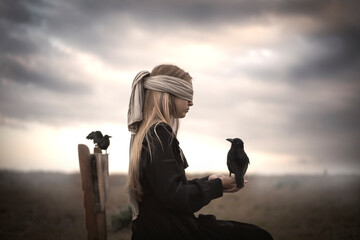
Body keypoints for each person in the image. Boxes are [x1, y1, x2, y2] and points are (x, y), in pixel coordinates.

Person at [127, 64, 273, 240]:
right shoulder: (159, 133)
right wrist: (217, 186)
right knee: (258, 236)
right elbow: (175, 197)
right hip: (172, 231)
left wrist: (210, 181)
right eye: (186, 95)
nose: (191, 102)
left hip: (161, 226)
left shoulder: (149, 132)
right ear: (168, 94)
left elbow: (167, 189)